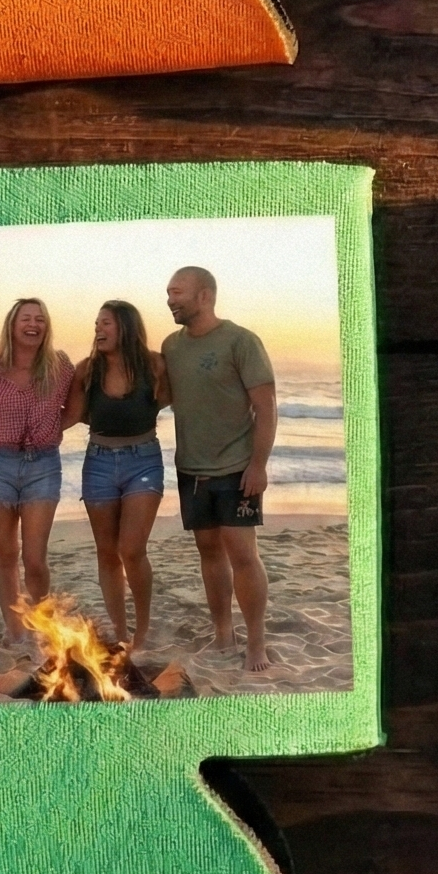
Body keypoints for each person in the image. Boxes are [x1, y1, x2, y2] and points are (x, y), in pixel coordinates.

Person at [162, 266, 278, 672]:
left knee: (243, 555)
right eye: (168, 293)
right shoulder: (171, 346)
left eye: (178, 292)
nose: (171, 300)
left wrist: (258, 465)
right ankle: (223, 632)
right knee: (208, 552)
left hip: (236, 468)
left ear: (205, 295)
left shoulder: (240, 341)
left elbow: (265, 406)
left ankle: (256, 644)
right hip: (191, 469)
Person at [64, 299, 168, 653]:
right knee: (107, 552)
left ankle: (143, 627)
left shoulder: (154, 365)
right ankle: (120, 630)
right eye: (96, 324)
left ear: (125, 326)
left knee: (132, 549)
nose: (98, 329)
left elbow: (170, 400)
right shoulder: (86, 370)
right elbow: (72, 415)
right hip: (99, 462)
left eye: (105, 323)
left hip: (144, 460)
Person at [0, 297, 75, 650]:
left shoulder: (59, 366)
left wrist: (53, 429)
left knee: (34, 558)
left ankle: (41, 621)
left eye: (40, 319)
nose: (33, 324)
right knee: (3, 553)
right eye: (26, 318)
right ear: (12, 325)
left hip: (43, 465)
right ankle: (15, 629)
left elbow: (77, 403)